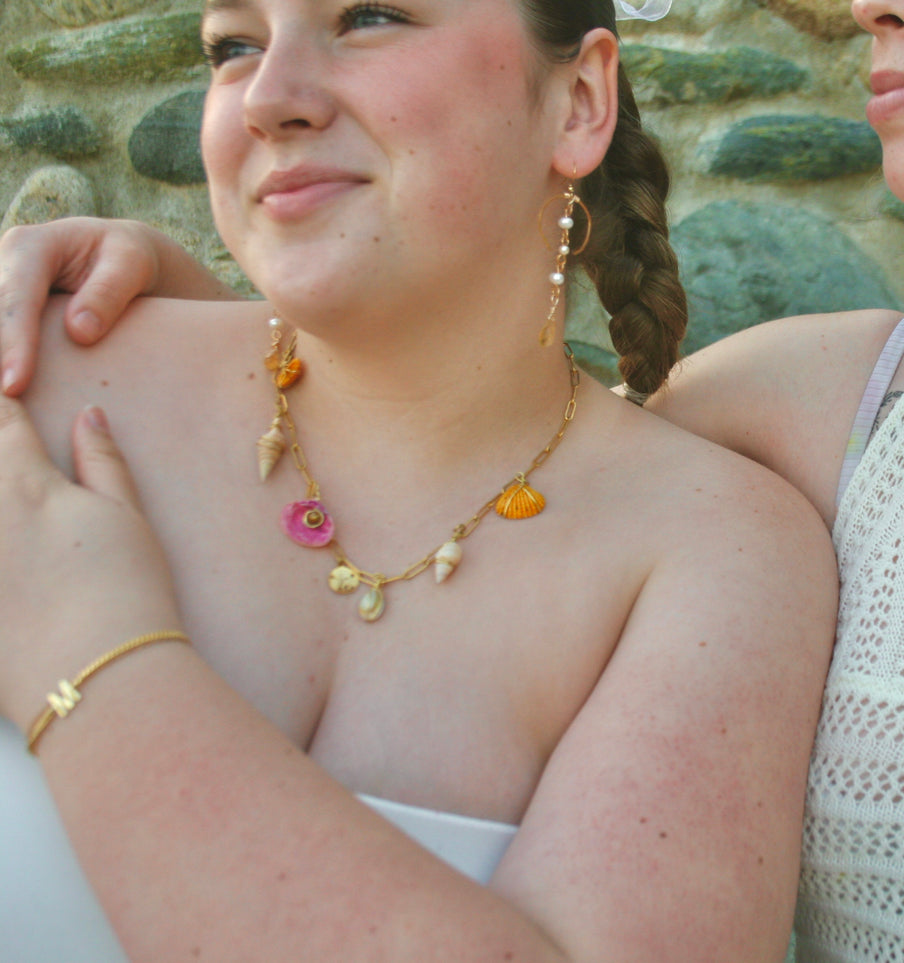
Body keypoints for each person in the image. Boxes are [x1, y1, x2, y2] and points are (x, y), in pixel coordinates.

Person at [5, 0, 904, 959]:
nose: (873, 1)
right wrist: (180, 328)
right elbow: (472, 449)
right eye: (227, 43)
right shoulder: (802, 413)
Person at [0, 0, 839, 959]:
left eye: (367, 17)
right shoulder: (33, 379)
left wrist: (94, 656)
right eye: (234, 46)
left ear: (575, 101)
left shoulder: (717, 550)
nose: (267, 98)